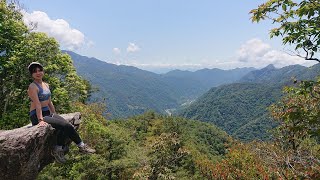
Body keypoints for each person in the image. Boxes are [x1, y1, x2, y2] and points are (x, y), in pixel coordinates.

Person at [27, 62, 95, 163]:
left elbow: (49, 102)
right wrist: (40, 119)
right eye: (34, 71)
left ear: (43, 71)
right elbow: (37, 104)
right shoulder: (33, 86)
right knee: (65, 126)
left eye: (39, 70)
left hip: (47, 113)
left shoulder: (46, 85)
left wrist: (55, 115)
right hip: (37, 115)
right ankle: (81, 146)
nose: (38, 73)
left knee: (67, 126)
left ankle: (58, 148)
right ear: (31, 74)